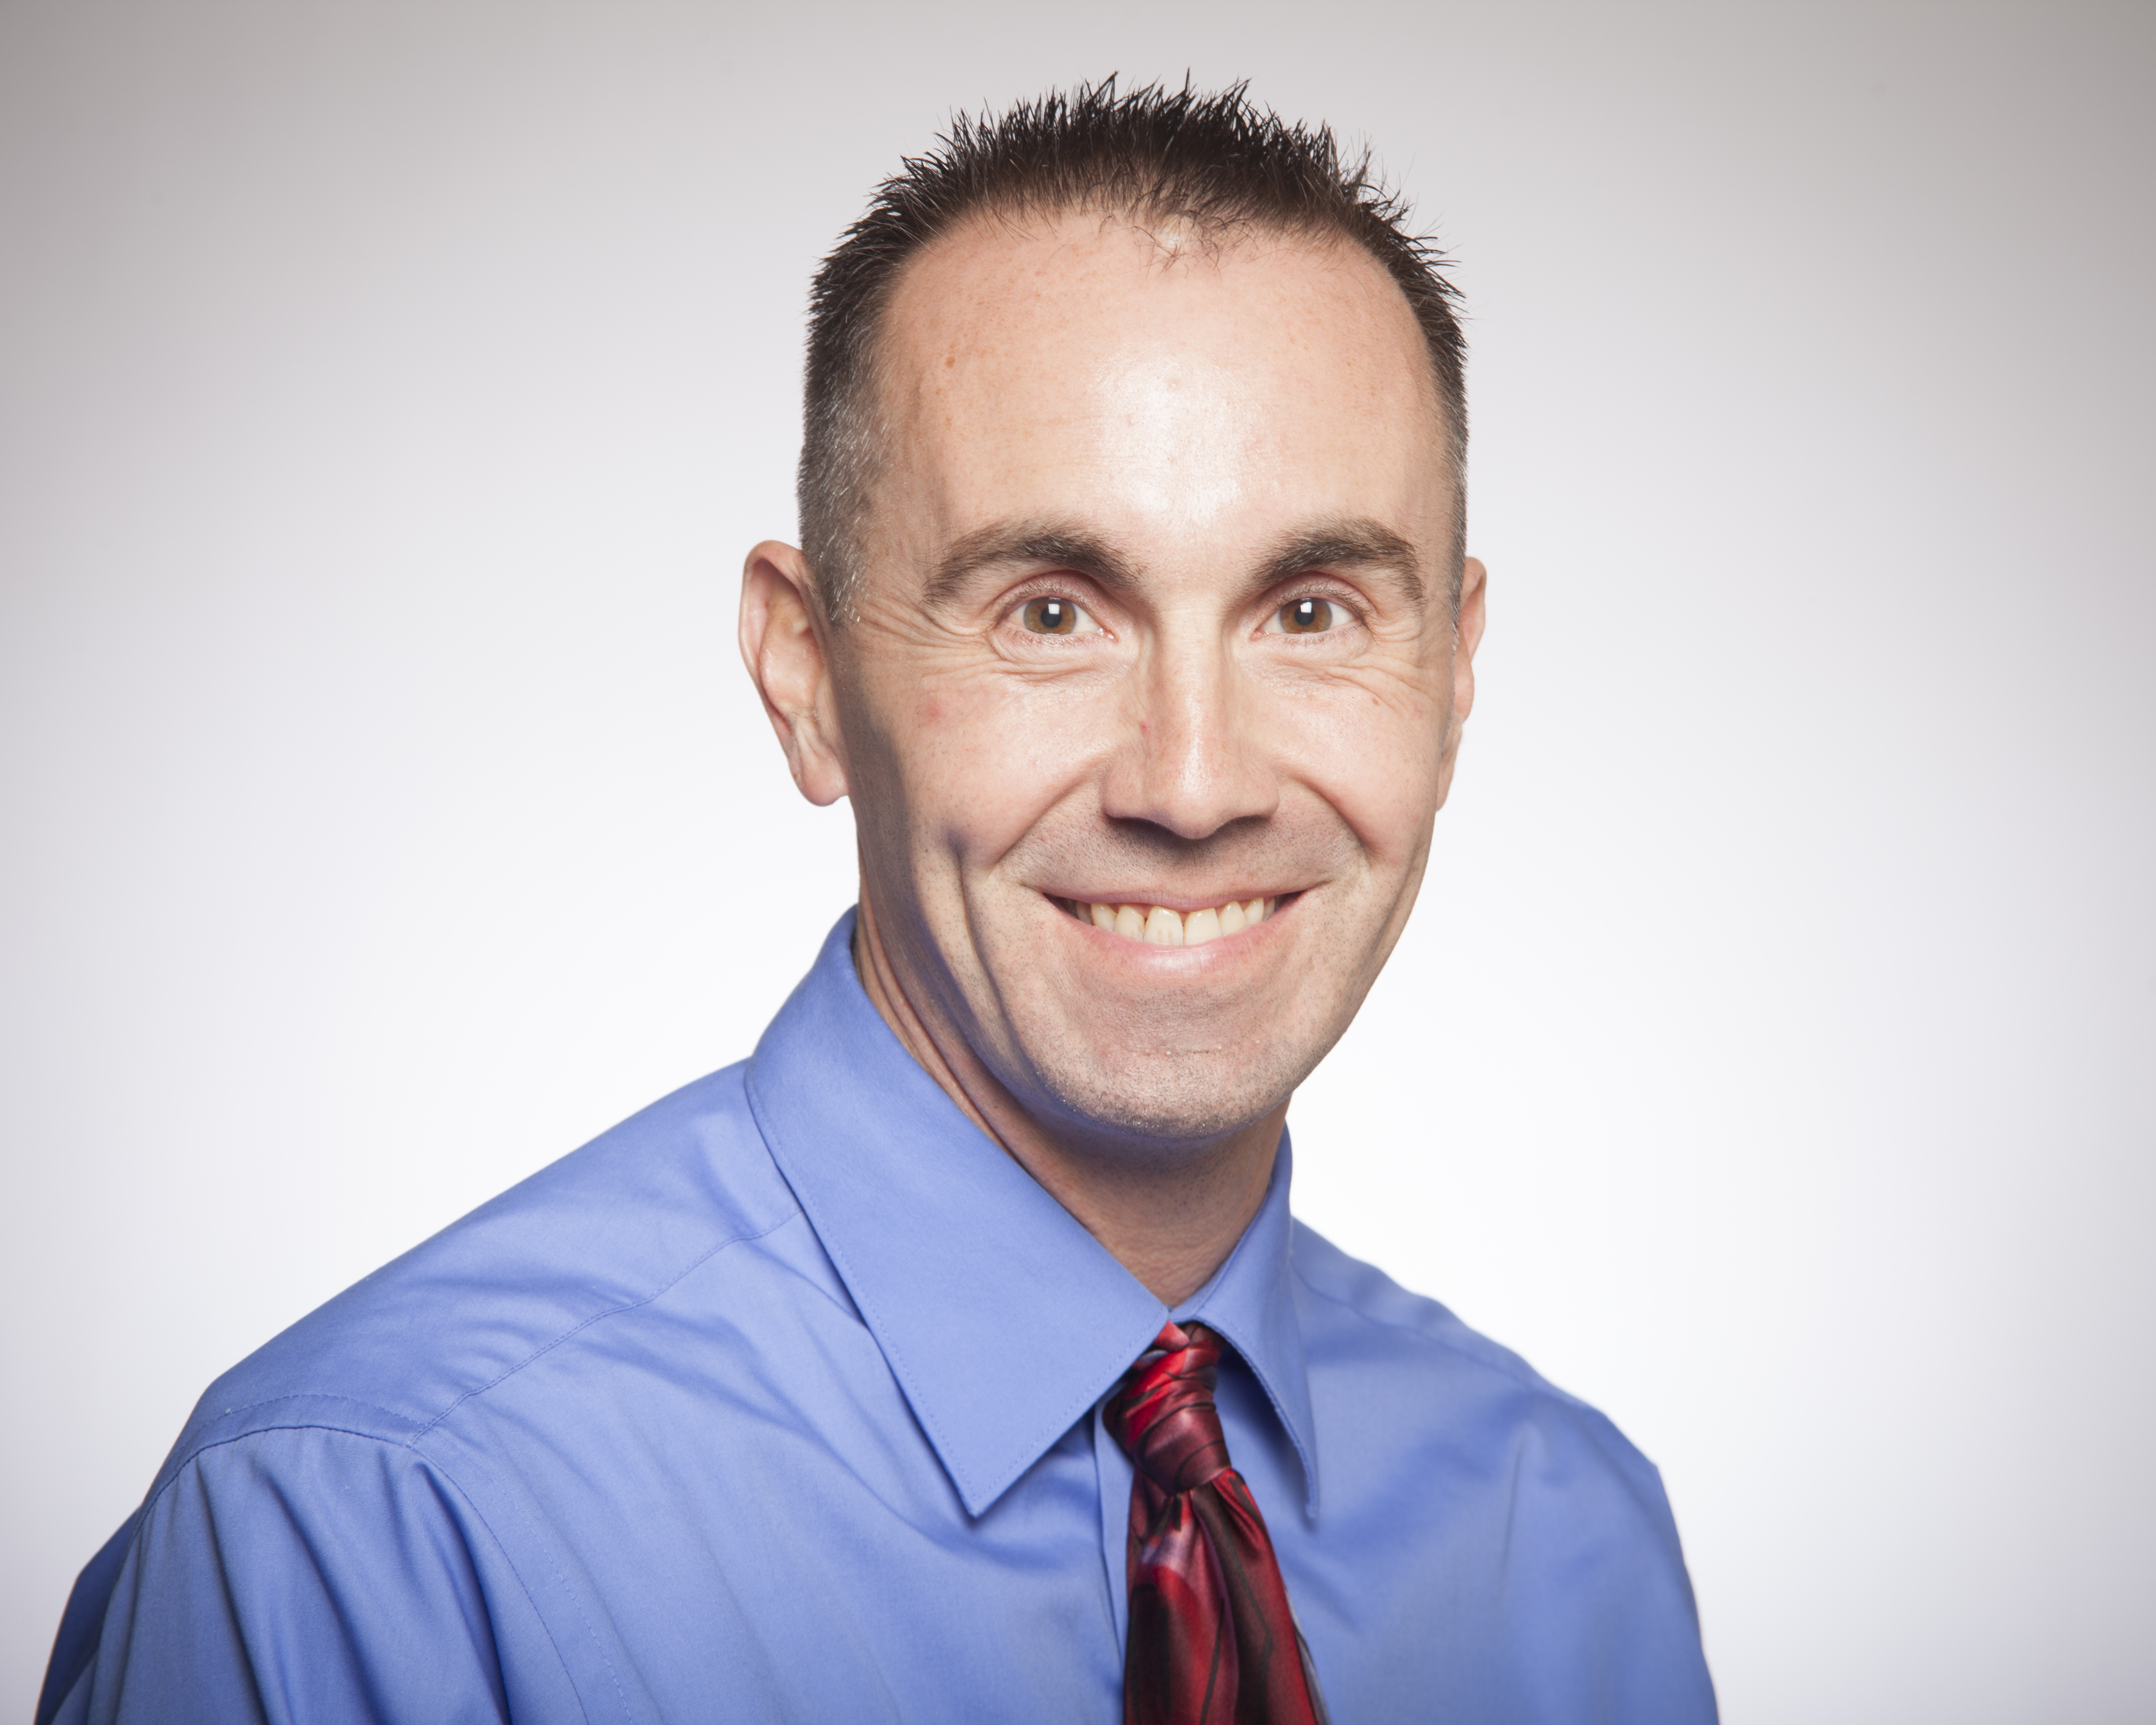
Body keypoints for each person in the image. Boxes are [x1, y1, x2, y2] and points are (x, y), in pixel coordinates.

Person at [38, 80, 1717, 1724]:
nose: (1194, 785)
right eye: (1053, 613)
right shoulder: (371, 1535)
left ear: (1455, 668)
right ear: (808, 672)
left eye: (1316, 610)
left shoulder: (1566, 1543)